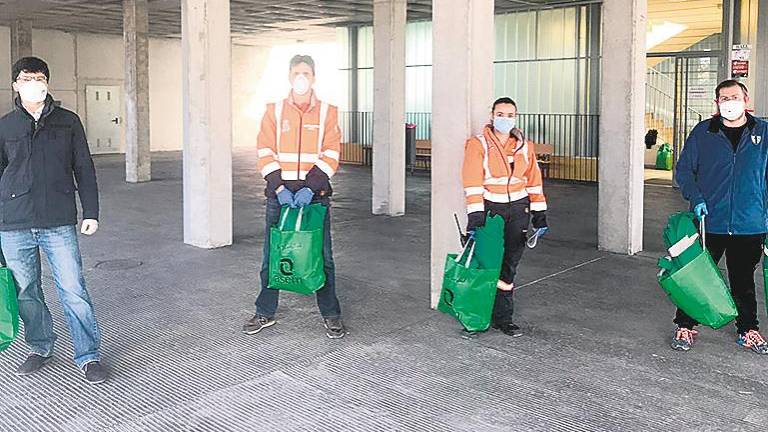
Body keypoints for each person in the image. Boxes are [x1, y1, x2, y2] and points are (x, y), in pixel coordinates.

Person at [0, 57, 107, 383]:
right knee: (27, 291)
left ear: (48, 82)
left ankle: (88, 355)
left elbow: (84, 168)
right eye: (26, 78)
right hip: (14, 223)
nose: (34, 82)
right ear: (16, 85)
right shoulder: (5, 126)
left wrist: (91, 212)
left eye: (39, 77)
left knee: (73, 289)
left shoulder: (68, 121)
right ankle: (40, 346)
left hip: (57, 221)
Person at [243, 55, 346, 339]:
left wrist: (310, 188)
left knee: (322, 256)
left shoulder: (328, 112)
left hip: (314, 198)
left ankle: (331, 314)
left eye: (307, 73)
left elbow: (332, 153)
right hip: (280, 197)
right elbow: (265, 150)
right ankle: (265, 311)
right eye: (297, 73)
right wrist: (279, 187)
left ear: (314, 77)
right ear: (290, 77)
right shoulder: (274, 111)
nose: (302, 77)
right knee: (272, 254)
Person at [672, 80, 768, 354]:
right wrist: (697, 198)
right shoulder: (705, 132)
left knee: (743, 279)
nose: (729, 102)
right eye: (723, 98)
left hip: (749, 223)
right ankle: (685, 325)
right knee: (697, 275)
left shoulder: (763, 132)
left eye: (734, 97)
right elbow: (684, 171)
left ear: (746, 99)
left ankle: (748, 329)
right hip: (709, 220)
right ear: (717, 103)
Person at [461, 97, 549, 336]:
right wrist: (476, 214)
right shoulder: (477, 144)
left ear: (516, 118)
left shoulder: (524, 147)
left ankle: (504, 318)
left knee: (509, 266)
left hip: (519, 210)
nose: (505, 119)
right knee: (487, 265)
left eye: (510, 115)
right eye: (500, 114)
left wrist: (539, 212)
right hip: (491, 211)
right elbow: (472, 181)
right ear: (492, 116)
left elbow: (533, 181)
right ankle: (477, 316)